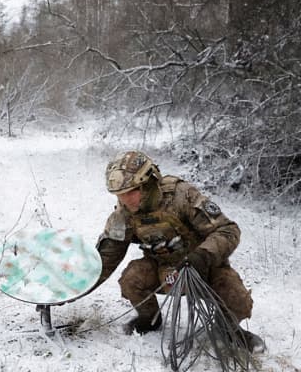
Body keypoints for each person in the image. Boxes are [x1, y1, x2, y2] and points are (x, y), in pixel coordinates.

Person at [95, 151, 265, 353]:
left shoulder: (181, 196)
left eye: (131, 192)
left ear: (148, 184)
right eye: (120, 195)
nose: (125, 200)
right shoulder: (123, 213)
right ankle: (150, 320)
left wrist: (202, 256)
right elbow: (107, 257)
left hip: (203, 267)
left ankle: (228, 330)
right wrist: (73, 288)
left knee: (237, 297)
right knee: (132, 279)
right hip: (164, 271)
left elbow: (228, 230)